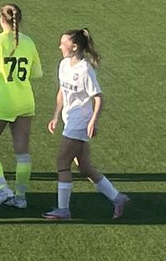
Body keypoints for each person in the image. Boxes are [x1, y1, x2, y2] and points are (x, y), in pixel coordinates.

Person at [43, 29, 128, 220]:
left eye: (63, 43)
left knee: (62, 162)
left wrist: (93, 120)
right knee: (84, 166)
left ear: (74, 47)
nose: (59, 46)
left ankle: (63, 210)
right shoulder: (64, 64)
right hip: (69, 120)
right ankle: (117, 198)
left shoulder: (85, 70)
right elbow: (61, 92)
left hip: (79, 122)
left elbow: (98, 98)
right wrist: (56, 115)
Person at [0, 4, 42, 210]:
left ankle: (3, 188)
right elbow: (37, 73)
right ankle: (21, 197)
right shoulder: (29, 41)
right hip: (25, 101)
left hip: (3, 101)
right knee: (22, 152)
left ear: (1, 20)